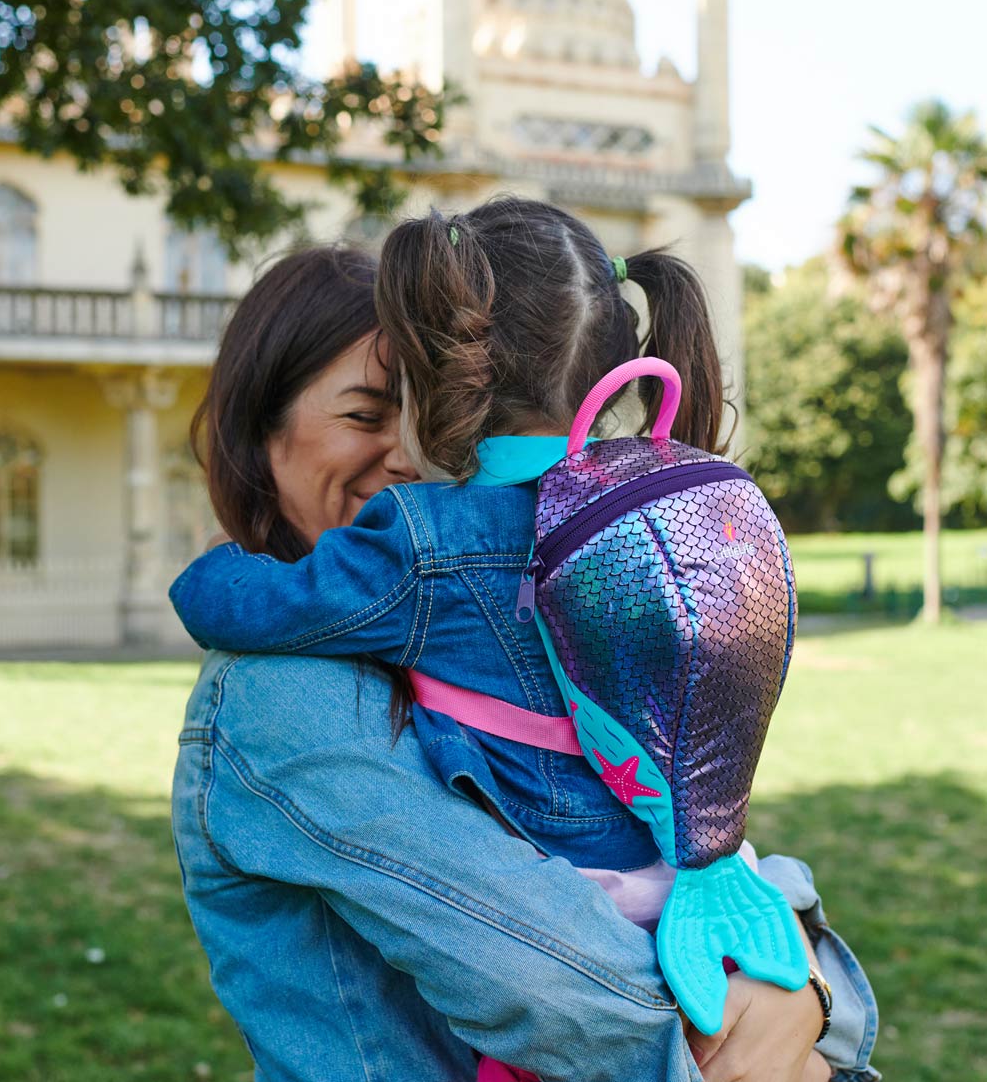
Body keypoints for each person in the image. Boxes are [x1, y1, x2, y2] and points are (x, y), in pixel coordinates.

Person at [170, 242, 880, 1081]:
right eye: (366, 415)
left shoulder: (514, 604)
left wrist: (806, 990)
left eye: (434, 409)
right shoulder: (279, 692)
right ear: (255, 434)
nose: (408, 453)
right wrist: (794, 994)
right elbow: (574, 997)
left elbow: (682, 829)